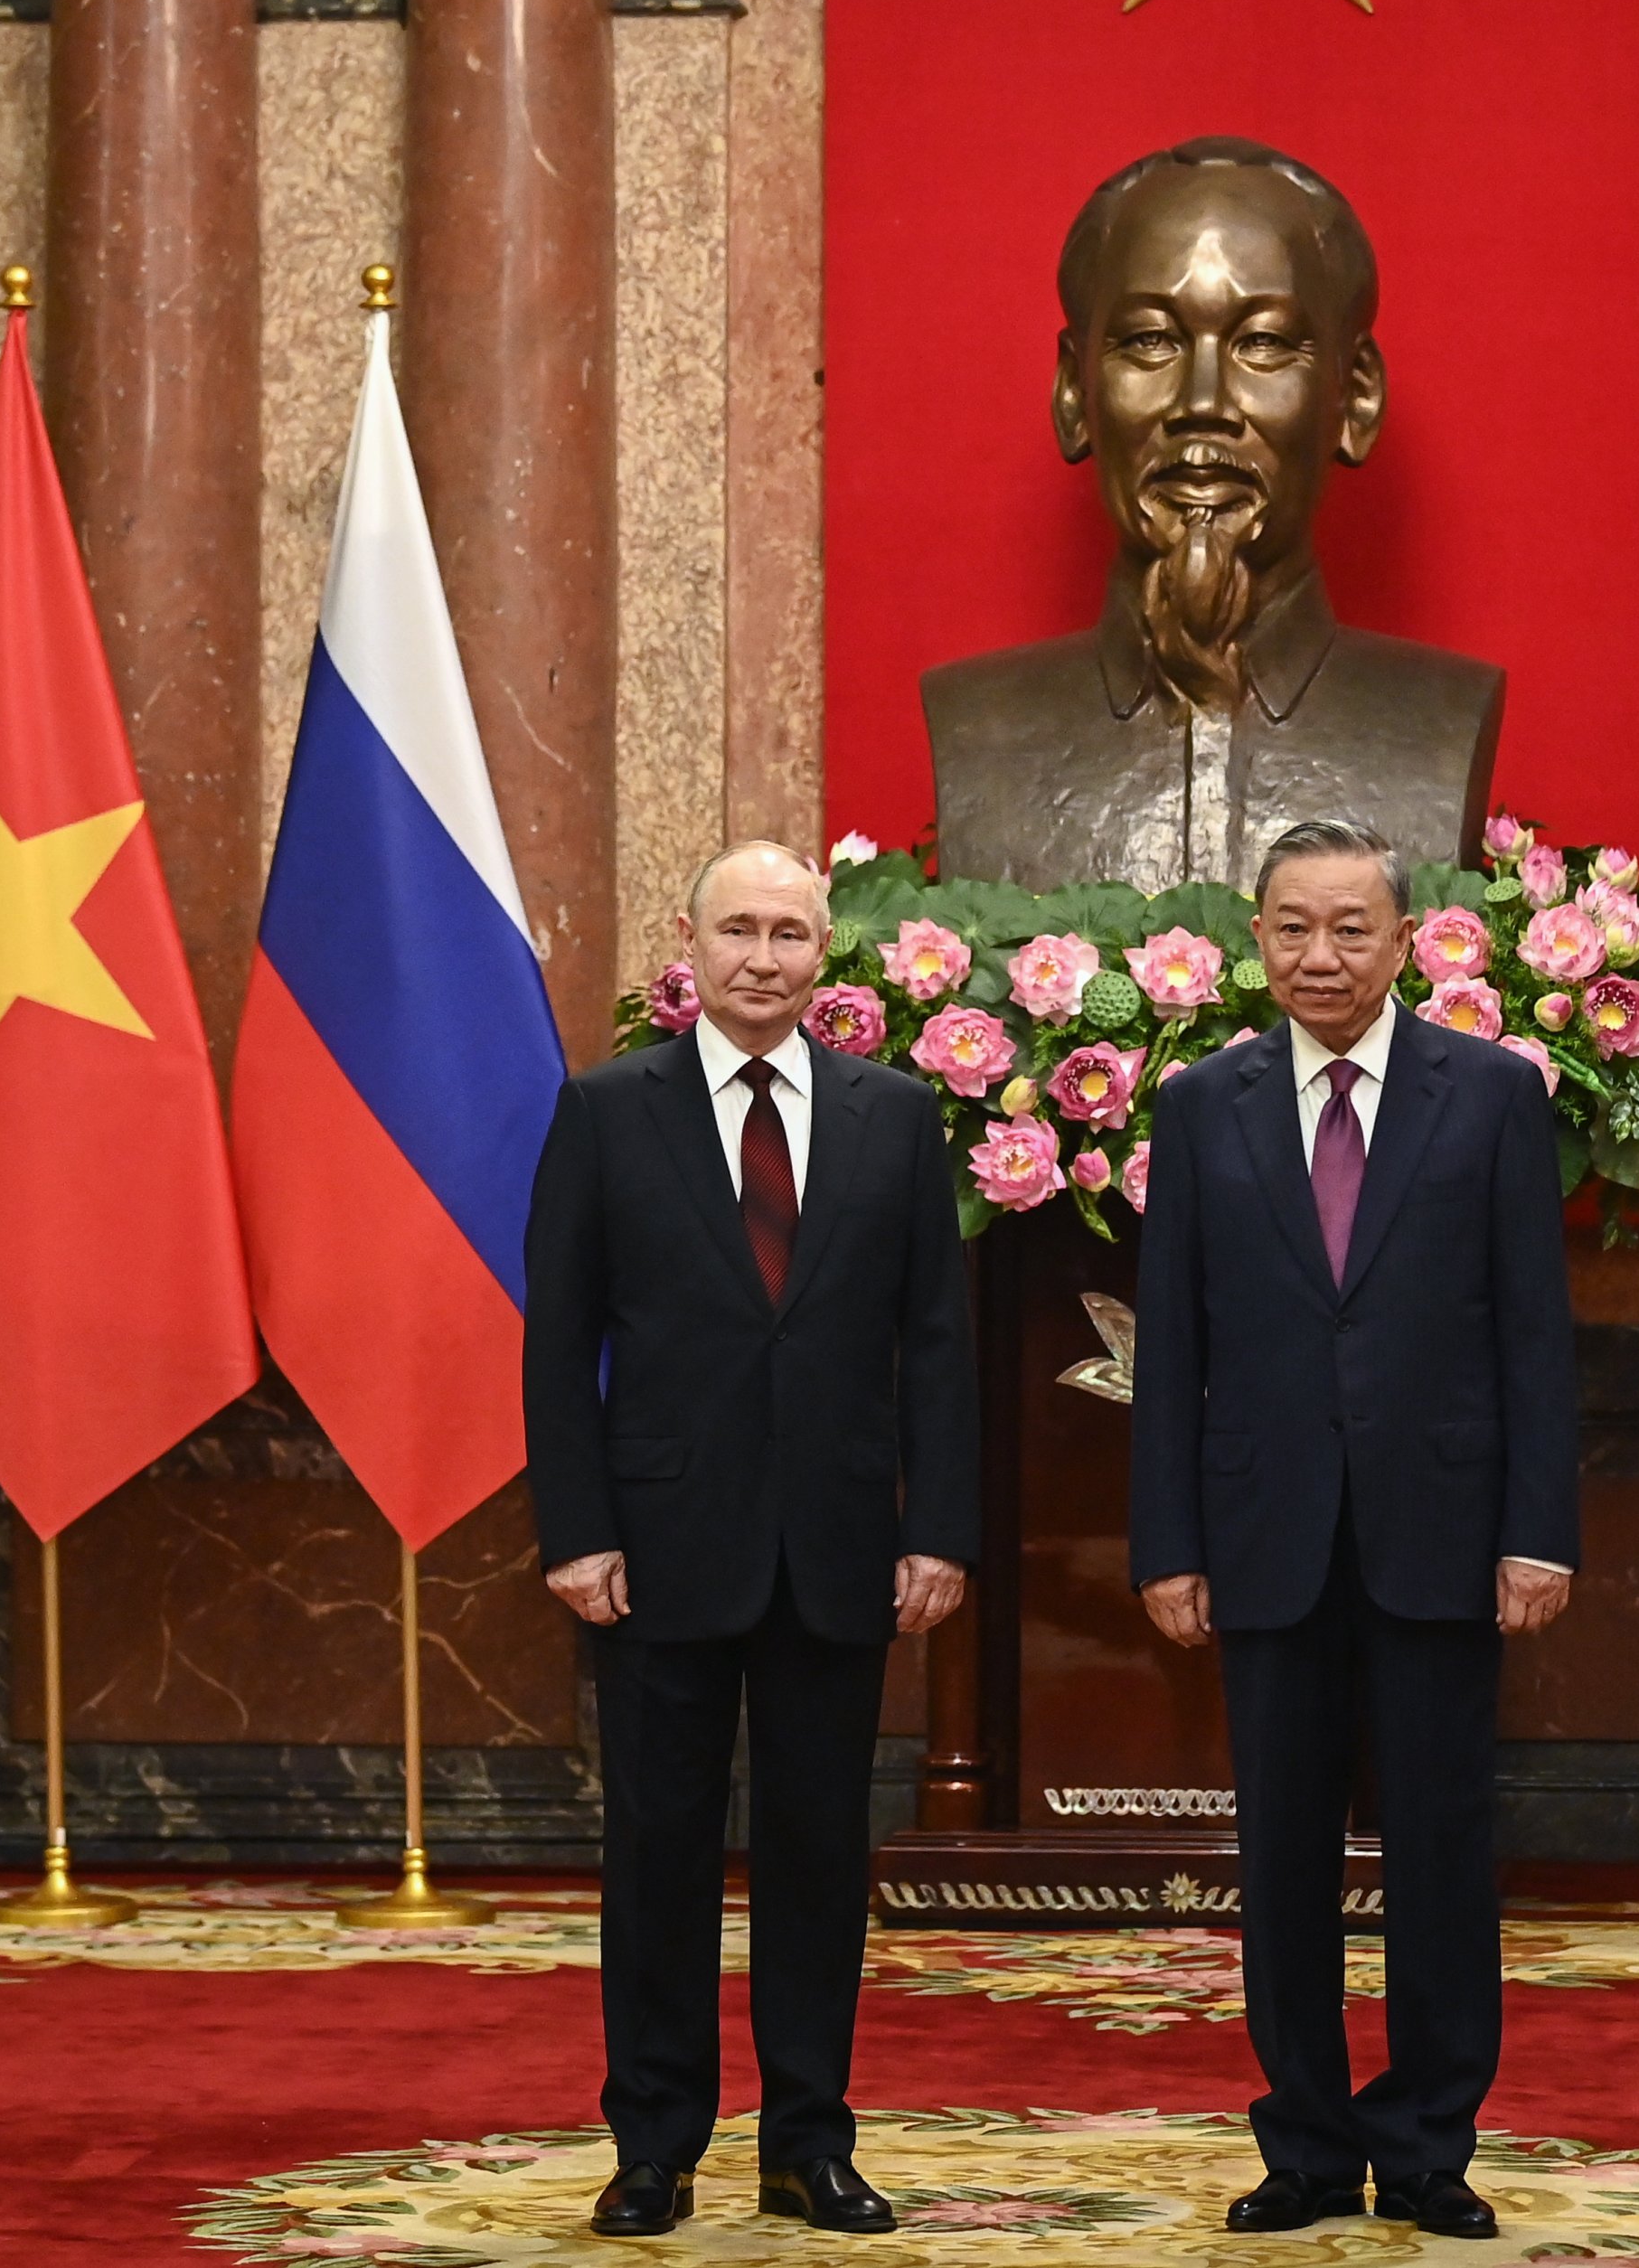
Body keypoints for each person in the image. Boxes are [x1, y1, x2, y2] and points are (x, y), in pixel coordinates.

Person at [1127, 816, 1579, 2240]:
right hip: (1263, 1540)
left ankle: (1430, 2141)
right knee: (1282, 1861)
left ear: (1406, 941)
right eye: (1289, 926)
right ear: (1253, 939)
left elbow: (1532, 1337)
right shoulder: (1203, 1103)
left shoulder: (1492, 1096)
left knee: (1441, 1849)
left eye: (1349, 927)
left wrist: (1537, 1531)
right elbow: (1174, 1345)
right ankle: (1308, 2146)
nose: (1318, 953)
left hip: (1441, 1535)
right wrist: (1167, 1543)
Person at [523, 841, 979, 2239]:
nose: (763, 956)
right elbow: (558, 1341)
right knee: (655, 1854)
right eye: (739, 930)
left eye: (789, 931)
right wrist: (576, 1528)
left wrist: (938, 1528)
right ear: (692, 944)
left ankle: (807, 2140)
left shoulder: (895, 1118)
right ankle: (653, 2143)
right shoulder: (605, 1113)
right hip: (655, 1549)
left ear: (823, 950)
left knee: (814, 1856)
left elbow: (938, 1346)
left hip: (840, 1550)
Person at [919, 136, 1502, 891]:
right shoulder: (981, 726)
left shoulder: (1442, 721)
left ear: (1354, 397)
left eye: (1261, 344)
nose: (1202, 404)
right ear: (1074, 394)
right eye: (1149, 342)